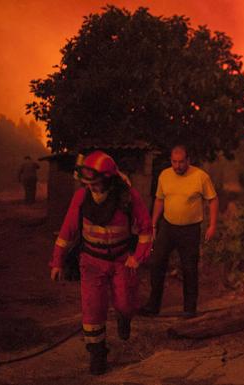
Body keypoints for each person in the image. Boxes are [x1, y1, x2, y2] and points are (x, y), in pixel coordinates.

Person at [49, 151, 152, 375]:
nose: (91, 188)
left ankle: (124, 318)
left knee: (125, 303)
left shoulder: (128, 197)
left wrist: (138, 257)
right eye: (88, 184)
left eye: (95, 183)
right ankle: (97, 353)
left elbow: (146, 229)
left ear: (108, 179)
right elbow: (67, 230)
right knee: (92, 308)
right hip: (91, 262)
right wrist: (56, 261)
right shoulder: (81, 198)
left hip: (121, 262)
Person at [140, 145, 218, 318]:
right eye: (174, 162)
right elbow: (160, 200)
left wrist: (212, 225)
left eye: (181, 162)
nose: (177, 166)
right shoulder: (165, 175)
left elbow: (212, 200)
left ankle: (189, 308)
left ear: (188, 160)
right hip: (168, 226)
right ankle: (153, 305)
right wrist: (153, 224)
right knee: (156, 262)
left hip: (190, 229)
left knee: (189, 268)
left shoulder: (200, 176)